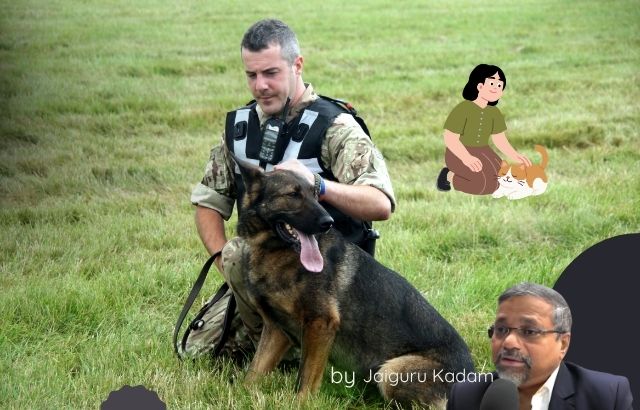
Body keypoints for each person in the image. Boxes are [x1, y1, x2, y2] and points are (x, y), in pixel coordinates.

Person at [190, 19, 395, 346]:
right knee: (198, 347)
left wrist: (318, 184)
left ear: (297, 65)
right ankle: (276, 335)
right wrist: (227, 267)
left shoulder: (335, 126)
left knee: (241, 257)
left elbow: (380, 203)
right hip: (265, 272)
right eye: (251, 75)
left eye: (271, 73)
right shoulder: (240, 128)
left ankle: (299, 344)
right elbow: (208, 202)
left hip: (327, 282)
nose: (260, 86)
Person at [446, 282, 633, 410]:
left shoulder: (606, 396)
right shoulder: (465, 395)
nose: (509, 342)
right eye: (501, 329)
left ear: (563, 344)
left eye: (529, 331)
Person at [436, 64, 532, 195]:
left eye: (500, 86)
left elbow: (499, 139)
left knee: (500, 180)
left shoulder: (494, 113)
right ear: (479, 86)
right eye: (492, 84)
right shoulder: (463, 109)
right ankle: (448, 175)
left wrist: (515, 155)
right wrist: (466, 158)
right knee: (481, 185)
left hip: (483, 151)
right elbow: (450, 138)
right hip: (459, 152)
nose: (496, 88)